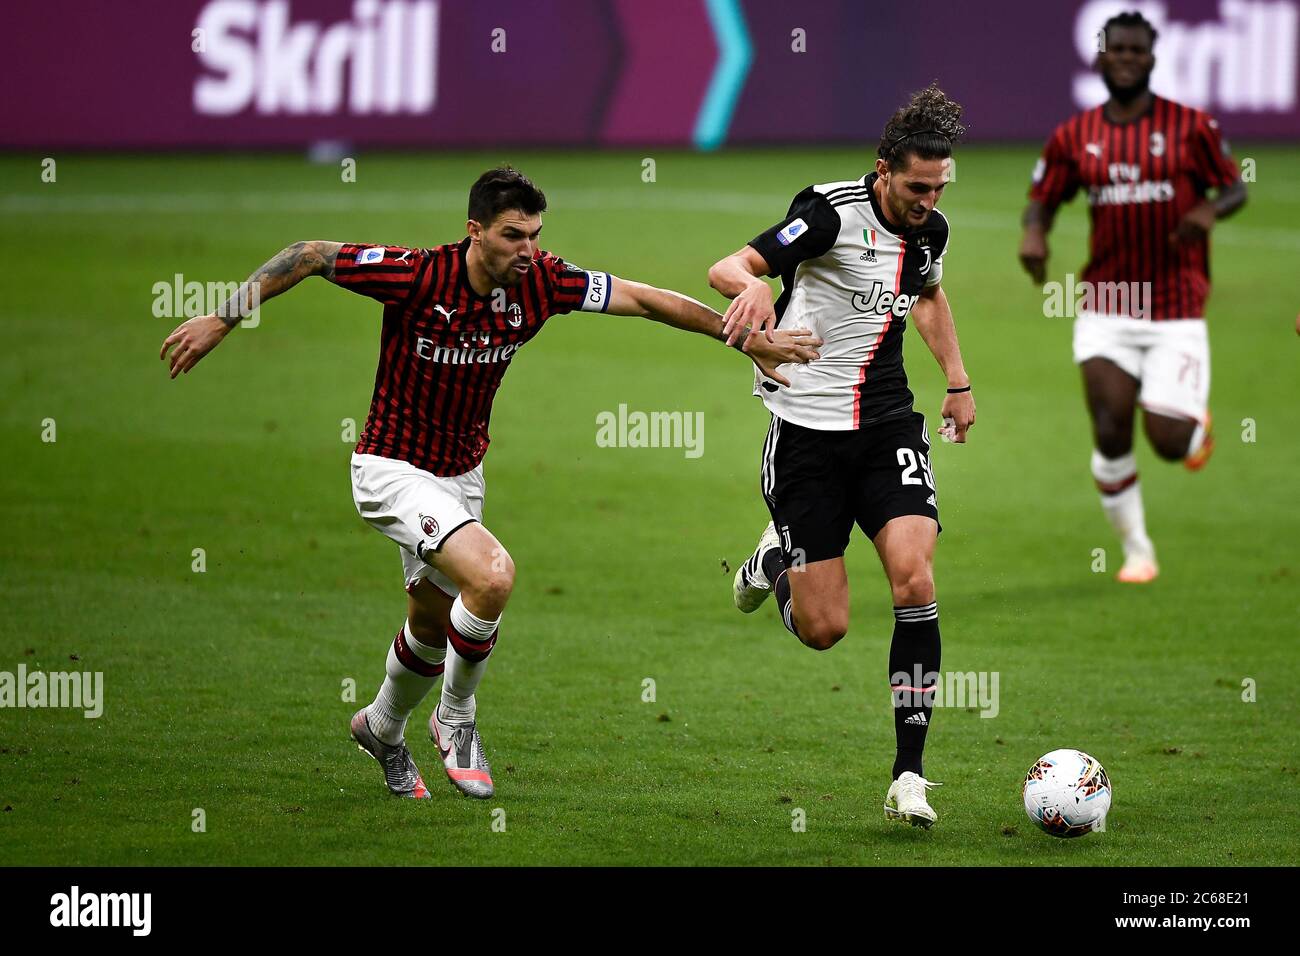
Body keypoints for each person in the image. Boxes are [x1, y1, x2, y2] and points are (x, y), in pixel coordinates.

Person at [160, 166, 820, 800]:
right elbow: (307, 253)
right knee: (493, 576)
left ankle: (382, 726)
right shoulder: (418, 275)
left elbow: (648, 300)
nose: (529, 248)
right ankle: (456, 716)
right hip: (390, 468)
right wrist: (223, 317)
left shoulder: (543, 281)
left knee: (429, 622)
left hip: (460, 477)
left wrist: (741, 338)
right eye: (513, 235)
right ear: (475, 230)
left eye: (534, 233)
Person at [709, 84, 976, 829]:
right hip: (804, 436)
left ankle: (910, 775)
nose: (928, 199)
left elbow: (926, 295)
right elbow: (729, 265)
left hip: (887, 424)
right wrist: (754, 291)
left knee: (915, 576)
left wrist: (957, 381)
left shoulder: (932, 231)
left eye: (939, 187)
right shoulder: (827, 213)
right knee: (825, 630)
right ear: (883, 169)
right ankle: (774, 565)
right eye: (917, 186)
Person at [1018, 10, 1247, 583]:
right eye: (1114, 49)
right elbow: (1043, 197)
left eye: (1134, 50)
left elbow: (1235, 185)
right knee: (1111, 425)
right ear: (1099, 58)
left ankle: (1193, 426)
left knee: (1168, 443)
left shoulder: (1192, 127)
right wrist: (1035, 232)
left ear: (1151, 59)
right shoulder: (1075, 136)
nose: (1123, 57)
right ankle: (1137, 550)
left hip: (1176, 306)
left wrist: (1209, 208)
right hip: (1107, 305)